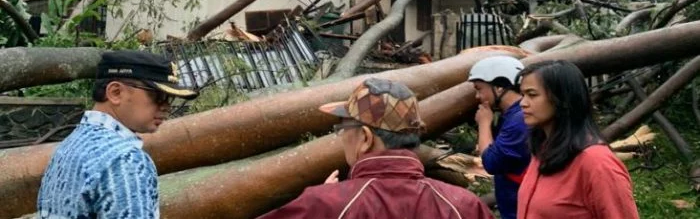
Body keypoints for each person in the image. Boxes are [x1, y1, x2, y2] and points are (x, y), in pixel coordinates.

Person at [257, 77, 494, 219]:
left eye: (343, 129)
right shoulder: (464, 205)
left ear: (365, 137)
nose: (341, 138)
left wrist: (323, 199)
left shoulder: (325, 205)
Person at [37, 50, 198, 218]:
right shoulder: (125, 159)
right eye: (157, 96)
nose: (166, 106)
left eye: (169, 98)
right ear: (115, 93)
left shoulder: (68, 146)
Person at [515, 60, 639, 218]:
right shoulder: (542, 151)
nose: (522, 103)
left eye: (532, 95)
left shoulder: (597, 164)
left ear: (563, 99)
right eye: (522, 95)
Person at [467, 56, 530, 219]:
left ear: (499, 87)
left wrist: (484, 124)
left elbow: (491, 162)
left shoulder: (519, 120)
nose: (477, 96)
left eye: (479, 88)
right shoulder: (510, 116)